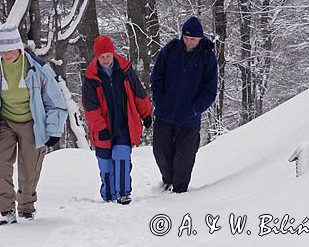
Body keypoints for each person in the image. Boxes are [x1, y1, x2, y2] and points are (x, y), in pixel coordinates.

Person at [0, 25, 68, 225]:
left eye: (10, 49)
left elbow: (55, 100)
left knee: (29, 168)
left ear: (19, 48)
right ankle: (6, 210)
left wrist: (54, 129)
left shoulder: (37, 69)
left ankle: (26, 206)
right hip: (4, 121)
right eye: (2, 50)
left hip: (33, 122)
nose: (6, 54)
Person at [150, 16, 218, 193]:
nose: (188, 42)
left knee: (185, 157)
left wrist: (195, 109)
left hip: (189, 118)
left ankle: (180, 193)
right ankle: (167, 181)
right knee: (160, 150)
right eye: (186, 38)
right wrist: (160, 101)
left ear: (200, 38)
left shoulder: (207, 57)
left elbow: (210, 90)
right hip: (165, 113)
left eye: (193, 39)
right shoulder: (171, 50)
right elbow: (156, 77)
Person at [82, 35, 153, 204]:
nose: (106, 60)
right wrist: (100, 127)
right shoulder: (91, 78)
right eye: (102, 57)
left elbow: (139, 93)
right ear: (97, 57)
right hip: (103, 130)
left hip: (123, 125)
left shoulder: (125, 71)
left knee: (121, 158)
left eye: (108, 55)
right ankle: (108, 196)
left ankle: (123, 194)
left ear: (113, 54)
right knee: (106, 166)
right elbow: (90, 108)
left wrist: (146, 114)